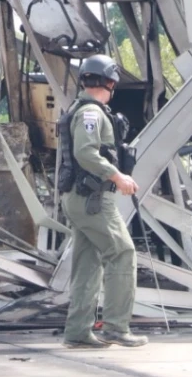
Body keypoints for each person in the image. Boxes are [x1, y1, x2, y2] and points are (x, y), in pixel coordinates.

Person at [56, 54, 147, 349]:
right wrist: (117, 176)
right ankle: (117, 328)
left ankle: (78, 332)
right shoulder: (92, 114)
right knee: (122, 253)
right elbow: (86, 152)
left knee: (87, 264)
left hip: (80, 199)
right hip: (92, 200)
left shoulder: (83, 110)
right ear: (110, 81)